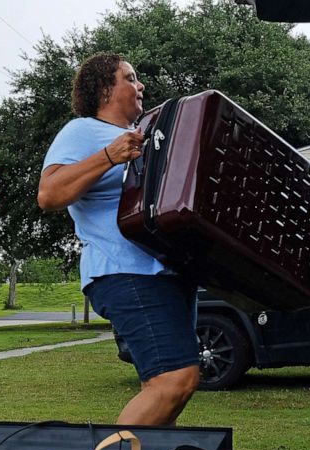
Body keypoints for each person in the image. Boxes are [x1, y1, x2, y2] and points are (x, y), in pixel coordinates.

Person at [38, 53, 199, 426]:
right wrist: (110, 156)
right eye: (130, 77)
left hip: (168, 272)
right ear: (105, 89)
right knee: (176, 379)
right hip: (124, 270)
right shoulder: (83, 131)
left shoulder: (149, 134)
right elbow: (49, 194)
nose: (140, 85)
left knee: (163, 389)